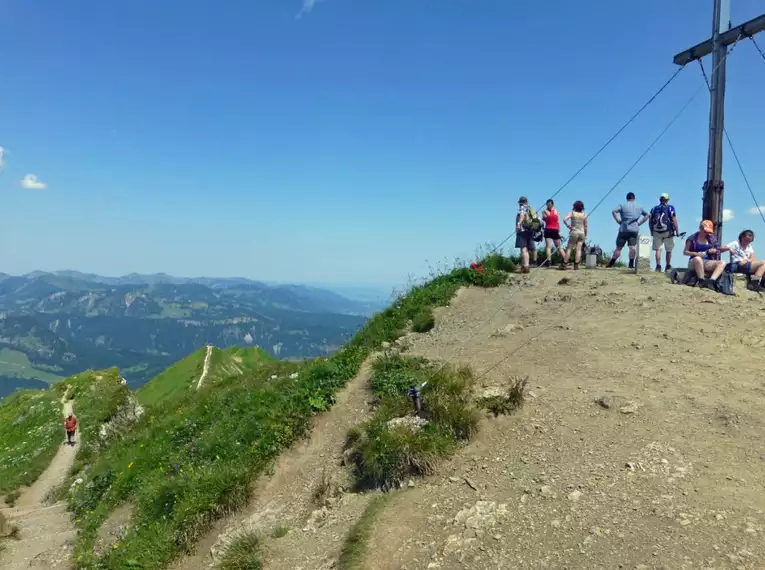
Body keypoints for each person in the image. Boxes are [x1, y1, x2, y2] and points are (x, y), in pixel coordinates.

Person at [607, 192, 650, 269]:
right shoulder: (640, 206)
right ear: (634, 198)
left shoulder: (622, 205)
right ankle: (631, 264)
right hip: (634, 230)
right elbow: (647, 215)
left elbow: (613, 211)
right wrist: (640, 223)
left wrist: (618, 220)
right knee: (632, 247)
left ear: (627, 198)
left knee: (619, 247)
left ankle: (611, 263)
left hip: (623, 229)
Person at [683, 220, 730, 289]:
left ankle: (711, 281)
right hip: (694, 261)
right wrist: (696, 253)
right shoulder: (692, 238)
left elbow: (718, 250)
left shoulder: (712, 238)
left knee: (723, 262)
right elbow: (685, 252)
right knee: (698, 259)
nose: (706, 233)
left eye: (708, 232)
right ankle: (701, 280)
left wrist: (715, 251)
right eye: (705, 231)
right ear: (700, 228)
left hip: (706, 261)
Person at [649, 193, 679, 272]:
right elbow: (674, 219)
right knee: (669, 250)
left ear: (660, 200)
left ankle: (658, 266)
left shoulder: (654, 208)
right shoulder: (670, 208)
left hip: (656, 231)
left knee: (658, 249)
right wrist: (677, 231)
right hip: (668, 232)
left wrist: (651, 231)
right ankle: (668, 266)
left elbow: (650, 221)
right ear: (667, 200)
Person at [516, 196, 540, 273]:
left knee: (523, 249)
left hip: (523, 231)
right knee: (527, 250)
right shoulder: (531, 209)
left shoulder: (522, 208)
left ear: (520, 202)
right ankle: (525, 266)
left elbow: (522, 215)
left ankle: (525, 266)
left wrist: (519, 223)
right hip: (530, 231)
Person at [561, 200, 587, 270]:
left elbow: (564, 219)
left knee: (569, 248)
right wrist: (586, 235)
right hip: (582, 233)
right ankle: (576, 265)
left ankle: (565, 264)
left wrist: (568, 226)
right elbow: (585, 226)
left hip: (574, 232)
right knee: (578, 249)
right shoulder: (584, 214)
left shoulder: (572, 213)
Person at [540, 199, 562, 266]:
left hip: (555, 229)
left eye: (549, 204)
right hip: (548, 229)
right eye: (547, 204)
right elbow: (545, 219)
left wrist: (559, 230)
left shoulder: (556, 211)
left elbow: (558, 221)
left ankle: (563, 260)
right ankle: (549, 261)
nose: (548, 205)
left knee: (558, 246)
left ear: (552, 204)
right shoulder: (544, 211)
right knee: (548, 246)